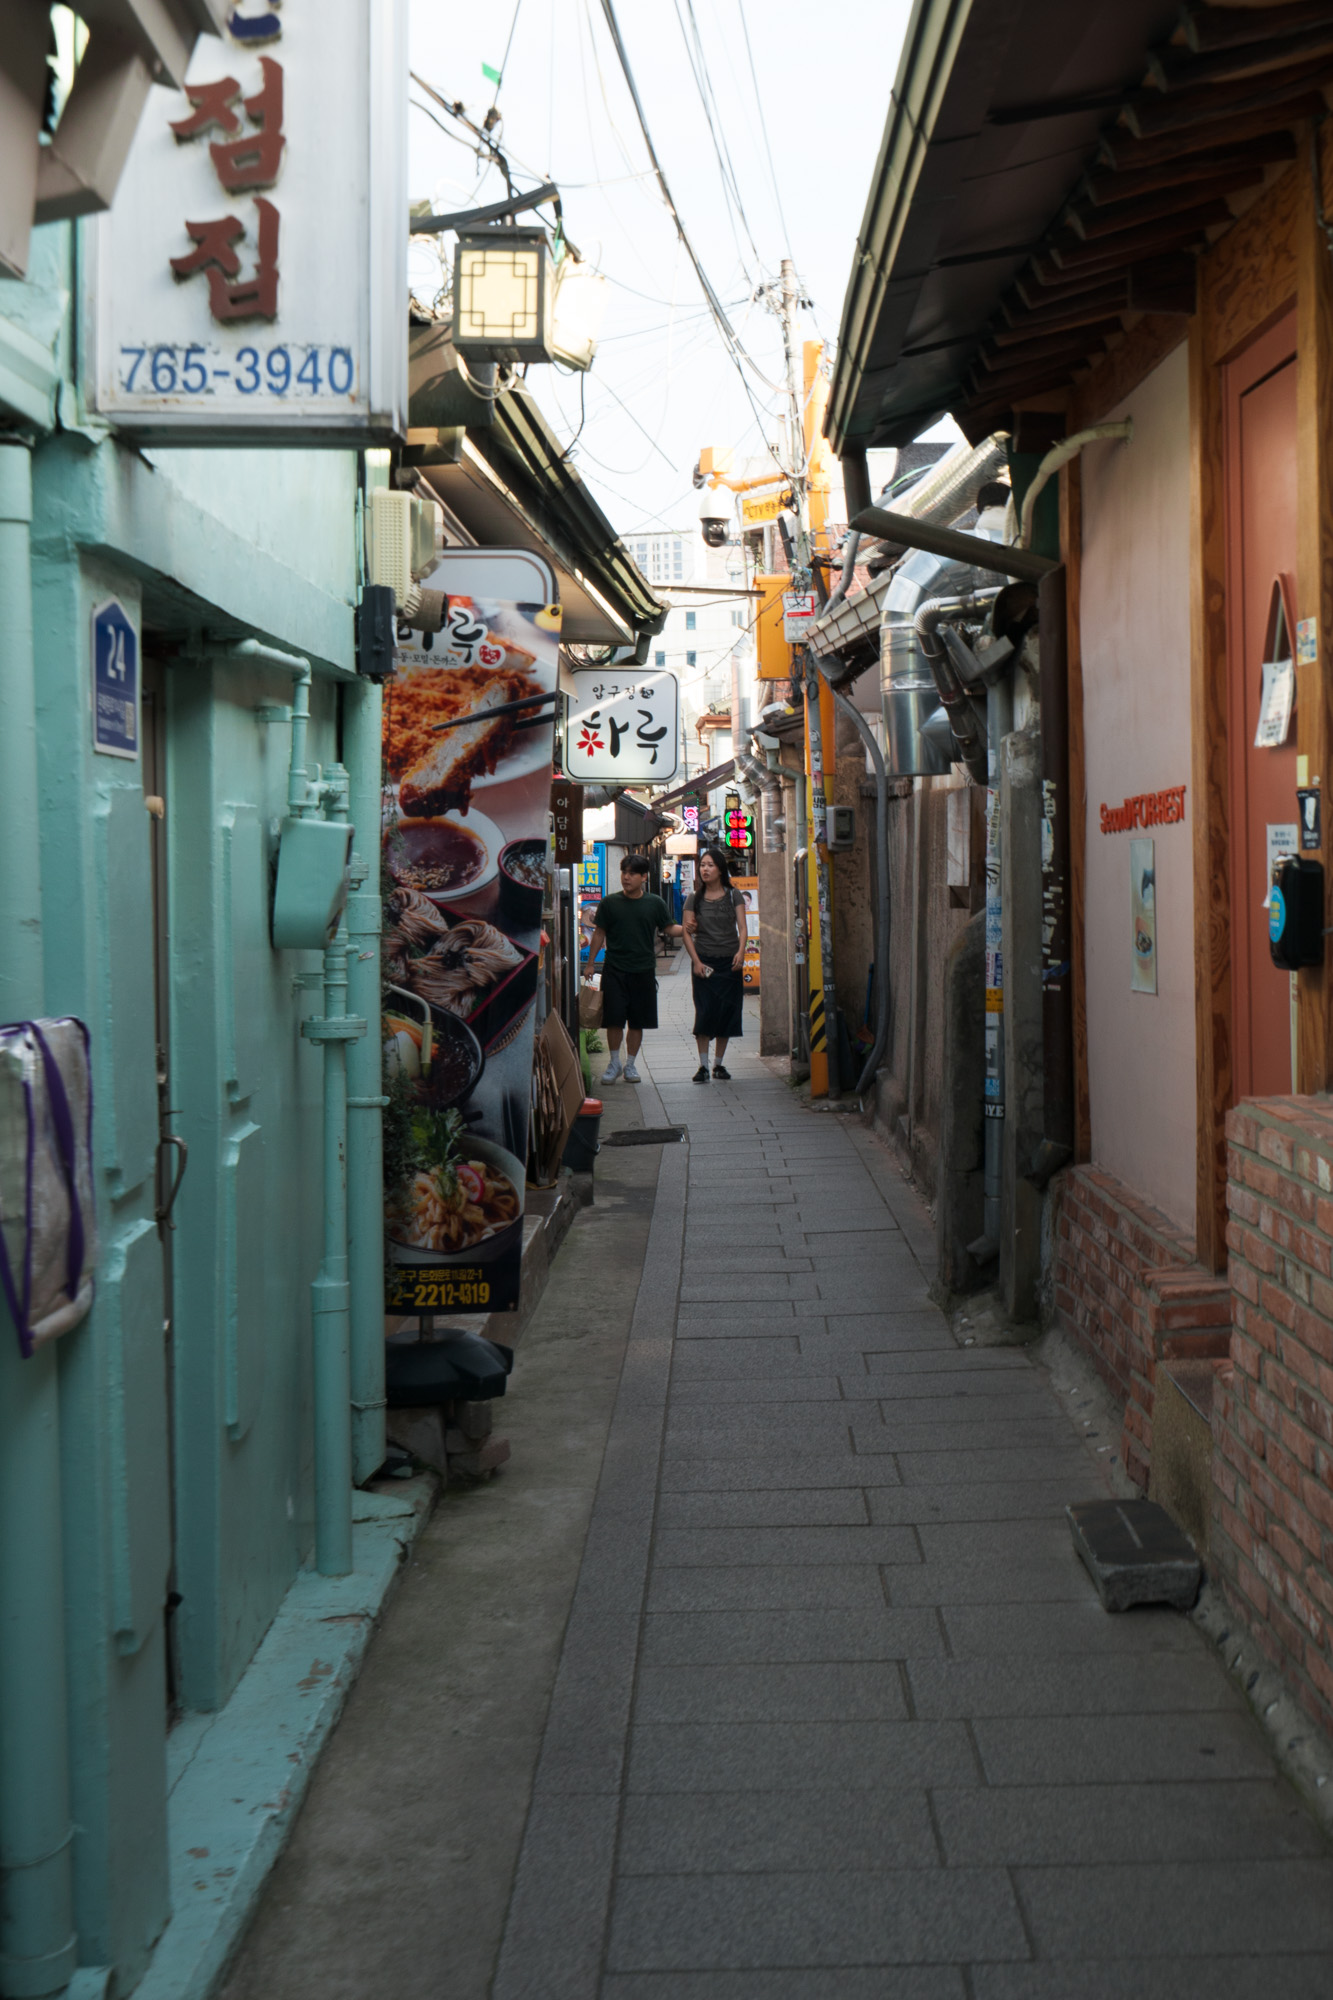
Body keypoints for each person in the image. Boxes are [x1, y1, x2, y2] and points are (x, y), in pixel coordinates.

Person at [587, 855, 677, 1083]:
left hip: (643, 969)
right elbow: (599, 933)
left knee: (638, 1020)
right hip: (614, 969)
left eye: (632, 873)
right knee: (614, 1019)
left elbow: (669, 928)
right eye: (624, 872)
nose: (626, 877)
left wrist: (689, 929)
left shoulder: (655, 903)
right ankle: (614, 1063)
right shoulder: (609, 903)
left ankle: (630, 1065)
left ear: (644, 877)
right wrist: (590, 963)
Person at [682, 846, 747, 1082]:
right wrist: (696, 962)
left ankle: (718, 1065)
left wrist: (741, 952)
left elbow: (742, 927)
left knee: (727, 1012)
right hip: (705, 962)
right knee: (705, 1012)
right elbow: (687, 932)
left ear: (720, 869)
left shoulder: (734, 895)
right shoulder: (694, 898)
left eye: (710, 865)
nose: (705, 869)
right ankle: (703, 1066)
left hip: (729, 962)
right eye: (702, 865)